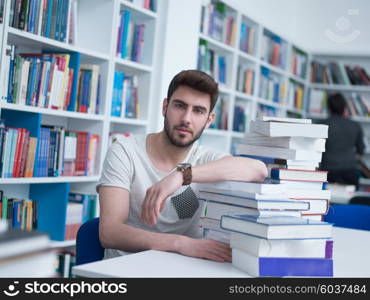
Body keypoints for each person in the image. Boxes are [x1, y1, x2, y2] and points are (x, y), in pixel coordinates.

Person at [97, 70, 267, 262]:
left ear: (209, 120)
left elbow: (258, 170)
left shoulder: (205, 160)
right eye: (180, 106)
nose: (187, 118)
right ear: (165, 107)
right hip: (123, 269)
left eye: (198, 111)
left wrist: (181, 175)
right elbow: (110, 233)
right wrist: (181, 244)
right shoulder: (125, 151)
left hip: (182, 270)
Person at [320, 93, 365, 188]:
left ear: (329, 107)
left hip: (327, 170)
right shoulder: (355, 125)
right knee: (350, 201)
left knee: (327, 200)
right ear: (345, 107)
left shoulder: (322, 125)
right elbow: (361, 150)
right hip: (349, 170)